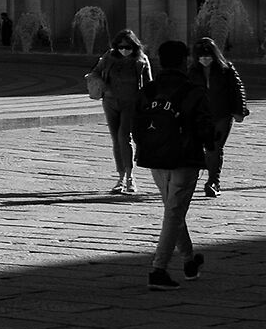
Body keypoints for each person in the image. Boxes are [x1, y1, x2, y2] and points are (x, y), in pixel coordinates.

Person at [133, 39, 215, 289]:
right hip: (184, 158)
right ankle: (158, 269)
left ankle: (190, 261)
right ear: (185, 61)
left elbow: (136, 124)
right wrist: (212, 145)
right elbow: (205, 128)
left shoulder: (149, 89)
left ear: (159, 60)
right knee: (174, 213)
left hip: (155, 157)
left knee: (173, 211)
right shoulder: (193, 91)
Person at [93, 30, 154, 196]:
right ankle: (120, 177)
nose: (124, 50)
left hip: (131, 103)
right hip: (110, 101)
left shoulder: (140, 60)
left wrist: (148, 104)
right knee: (115, 139)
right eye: (121, 47)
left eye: (128, 47)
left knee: (123, 137)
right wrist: (95, 81)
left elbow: (149, 84)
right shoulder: (109, 57)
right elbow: (96, 72)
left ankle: (129, 176)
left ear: (134, 46)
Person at [196, 35, 249, 199]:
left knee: (215, 147)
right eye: (201, 56)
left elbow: (237, 89)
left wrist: (240, 111)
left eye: (208, 56)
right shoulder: (192, 71)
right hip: (202, 115)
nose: (205, 59)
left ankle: (213, 182)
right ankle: (206, 176)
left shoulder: (226, 69)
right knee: (205, 148)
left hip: (222, 114)